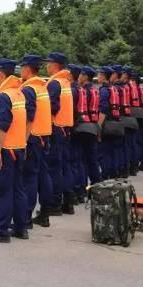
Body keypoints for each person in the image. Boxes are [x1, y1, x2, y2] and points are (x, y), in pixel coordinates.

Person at [0, 59, 28, 243]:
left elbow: (3, 125)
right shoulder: (18, 93)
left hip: (6, 149)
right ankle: (20, 228)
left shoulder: (3, 97)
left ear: (1, 74)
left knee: (3, 191)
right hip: (19, 148)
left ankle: (1, 231)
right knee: (18, 189)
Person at [19, 55, 53, 228]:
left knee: (29, 179)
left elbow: (29, 117)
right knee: (42, 176)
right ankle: (45, 213)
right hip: (44, 137)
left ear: (27, 69)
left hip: (32, 138)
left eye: (22, 67)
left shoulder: (29, 89)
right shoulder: (42, 87)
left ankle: (25, 218)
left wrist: (23, 141)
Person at [44, 52, 76, 215]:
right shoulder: (65, 82)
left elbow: (52, 107)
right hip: (65, 129)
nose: (46, 66)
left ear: (55, 65)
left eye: (48, 63)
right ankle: (68, 203)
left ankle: (55, 204)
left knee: (54, 168)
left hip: (56, 129)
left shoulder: (55, 83)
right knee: (64, 166)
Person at [76, 66, 101, 188]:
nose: (79, 77)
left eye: (81, 75)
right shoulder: (95, 90)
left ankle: (81, 187)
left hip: (82, 127)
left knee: (81, 159)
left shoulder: (83, 91)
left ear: (85, 76)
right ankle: (97, 184)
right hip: (93, 126)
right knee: (92, 158)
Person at [96, 66, 120, 180]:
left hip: (107, 124)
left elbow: (103, 109)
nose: (97, 77)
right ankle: (113, 173)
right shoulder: (113, 88)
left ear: (103, 75)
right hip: (115, 122)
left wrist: (99, 126)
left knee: (104, 152)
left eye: (99, 74)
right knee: (113, 151)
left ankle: (105, 174)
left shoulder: (104, 90)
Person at [67, 63, 86, 204]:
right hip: (80, 126)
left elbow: (72, 111)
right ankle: (80, 190)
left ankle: (75, 191)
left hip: (73, 129)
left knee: (73, 162)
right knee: (79, 162)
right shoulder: (79, 89)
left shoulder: (72, 90)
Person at [111, 65, 129, 178]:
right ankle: (124, 169)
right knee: (123, 147)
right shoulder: (124, 87)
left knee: (114, 148)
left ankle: (117, 170)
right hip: (123, 117)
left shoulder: (116, 88)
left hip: (117, 119)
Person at [132, 71, 143, 171]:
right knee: (142, 141)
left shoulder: (134, 90)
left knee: (137, 141)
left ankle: (138, 162)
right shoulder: (142, 89)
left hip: (137, 117)